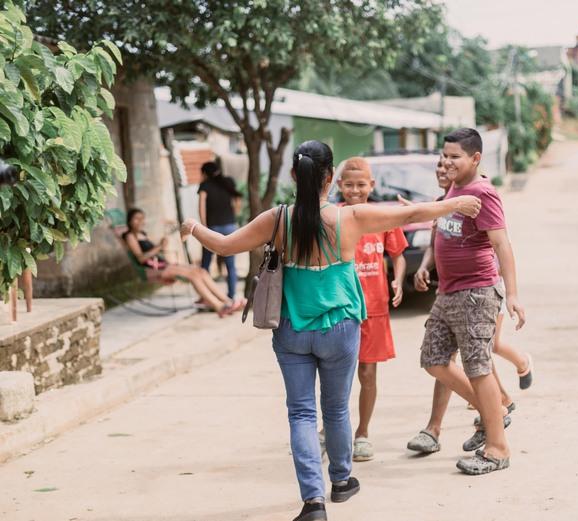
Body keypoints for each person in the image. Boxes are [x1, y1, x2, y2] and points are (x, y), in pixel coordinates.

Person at [179, 140, 481, 521]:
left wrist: (193, 227)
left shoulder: (277, 219)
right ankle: (341, 481)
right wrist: (455, 203)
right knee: (336, 408)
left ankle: (313, 502)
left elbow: (223, 246)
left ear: (293, 175)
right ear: (330, 177)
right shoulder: (349, 218)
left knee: (302, 414)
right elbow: (411, 215)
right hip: (340, 329)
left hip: (290, 330)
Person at [416, 128, 525, 476]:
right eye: (444, 155)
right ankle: (495, 411)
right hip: (447, 292)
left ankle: (497, 448)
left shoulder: (482, 192)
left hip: (476, 293)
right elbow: (440, 232)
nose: (447, 162)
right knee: (433, 360)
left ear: (475, 158)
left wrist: (513, 295)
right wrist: (426, 266)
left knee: (478, 367)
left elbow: (502, 245)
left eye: (455, 156)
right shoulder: (453, 189)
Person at [337, 157, 408, 462]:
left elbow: (398, 255)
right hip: (339, 307)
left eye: (361, 185)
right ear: (339, 185)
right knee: (336, 375)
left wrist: (398, 281)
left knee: (368, 373)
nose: (355, 190)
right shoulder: (333, 216)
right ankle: (332, 429)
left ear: (372, 185)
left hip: (374, 308)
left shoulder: (382, 216)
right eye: (349, 185)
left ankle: (362, 433)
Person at [122, 208, 239, 316]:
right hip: (152, 269)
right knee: (193, 275)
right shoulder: (130, 236)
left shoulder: (142, 234)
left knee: (200, 270)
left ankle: (228, 301)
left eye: (142, 219)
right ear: (130, 220)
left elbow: (153, 252)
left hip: (162, 264)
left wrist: (162, 246)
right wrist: (159, 247)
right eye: (136, 219)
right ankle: (219, 306)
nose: (140, 222)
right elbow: (141, 258)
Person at [198, 161, 242, 302]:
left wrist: (203, 228)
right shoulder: (228, 181)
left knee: (205, 264)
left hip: (212, 228)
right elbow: (237, 201)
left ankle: (206, 297)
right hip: (230, 226)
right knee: (231, 265)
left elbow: (202, 207)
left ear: (205, 173)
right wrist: (234, 217)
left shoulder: (205, 186)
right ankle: (231, 296)